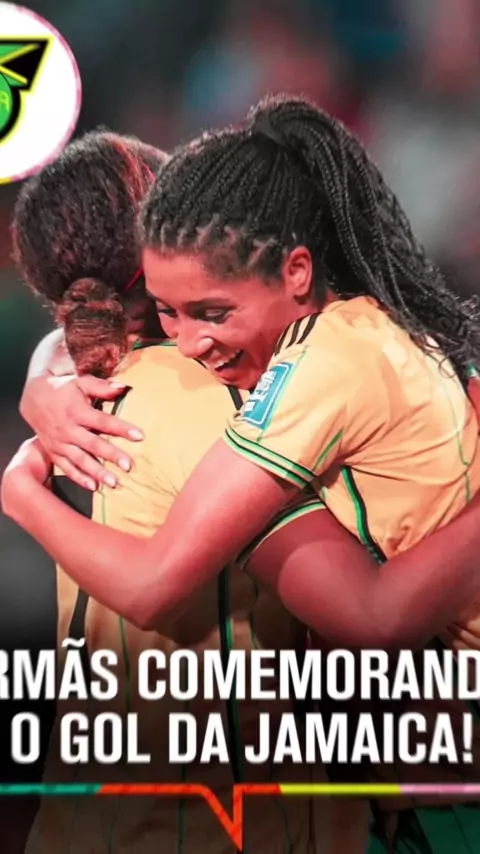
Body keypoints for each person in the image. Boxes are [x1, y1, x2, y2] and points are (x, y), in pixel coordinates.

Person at [4, 96, 480, 852]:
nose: (193, 339)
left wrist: (31, 431)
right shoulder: (234, 394)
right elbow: (370, 615)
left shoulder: (84, 387)